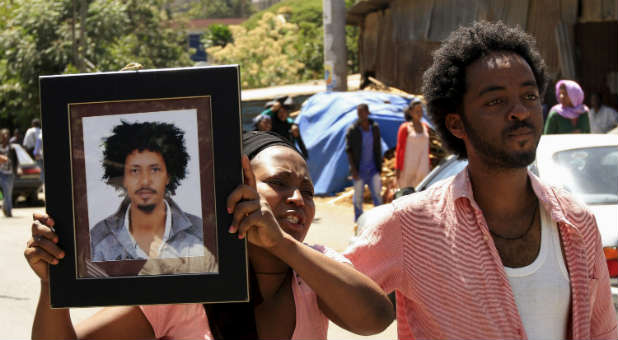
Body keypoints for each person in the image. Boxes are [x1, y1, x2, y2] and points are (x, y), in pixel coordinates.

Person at [344, 21, 617, 339]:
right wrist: (287, 247)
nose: (519, 111)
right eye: (496, 101)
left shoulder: (576, 221)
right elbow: (323, 294)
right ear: (456, 124)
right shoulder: (411, 225)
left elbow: (603, 331)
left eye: (529, 96)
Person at [24, 131, 395, 339]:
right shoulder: (187, 278)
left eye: (309, 191)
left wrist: (282, 246)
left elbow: (375, 319)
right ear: (237, 188)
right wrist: (50, 283)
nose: (298, 199)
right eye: (279, 183)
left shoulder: (312, 272)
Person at [90, 121, 215, 266]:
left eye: (155, 169)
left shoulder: (201, 234)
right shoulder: (96, 239)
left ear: (169, 175)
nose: (145, 181)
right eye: (135, 170)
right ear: (123, 178)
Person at [345, 103, 383, 221]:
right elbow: (349, 151)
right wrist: (353, 170)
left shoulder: (375, 128)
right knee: (358, 198)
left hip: (373, 169)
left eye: (362, 112)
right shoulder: (353, 130)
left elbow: (378, 148)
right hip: (359, 170)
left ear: (367, 113)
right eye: (358, 112)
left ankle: (380, 219)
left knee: (377, 195)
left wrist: (379, 166)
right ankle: (359, 219)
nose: (360, 115)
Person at [394, 100, 430, 189]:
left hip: (422, 166)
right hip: (408, 166)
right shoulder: (405, 128)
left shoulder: (425, 127)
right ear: (411, 112)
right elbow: (400, 148)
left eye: (421, 111)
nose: (419, 113)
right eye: (417, 111)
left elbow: (427, 147)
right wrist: (398, 168)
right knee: (407, 191)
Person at [0, 129, 18, 217]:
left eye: (7, 135)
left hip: (10, 173)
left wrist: (17, 170)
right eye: (3, 135)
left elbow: (16, 160)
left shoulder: (12, 148)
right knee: (6, 192)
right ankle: (8, 210)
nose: (5, 137)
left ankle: (6, 208)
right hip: (1, 173)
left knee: (8, 193)